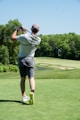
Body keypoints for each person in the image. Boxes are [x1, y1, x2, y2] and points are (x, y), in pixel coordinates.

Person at [11, 24, 41, 104]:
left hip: (21, 59)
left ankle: (24, 96)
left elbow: (13, 38)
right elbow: (28, 37)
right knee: (31, 78)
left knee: (23, 78)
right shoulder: (38, 40)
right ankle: (32, 92)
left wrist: (17, 29)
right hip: (30, 59)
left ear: (31, 29)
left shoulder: (25, 37)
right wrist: (24, 32)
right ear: (38, 31)